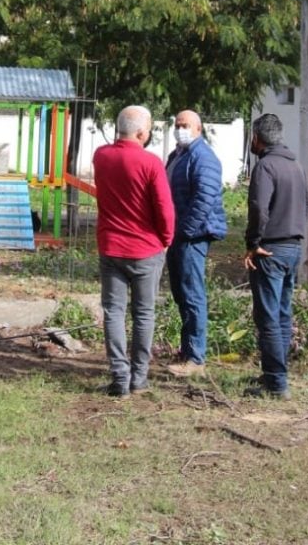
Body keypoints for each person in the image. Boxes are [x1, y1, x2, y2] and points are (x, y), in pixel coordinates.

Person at [93, 105, 175, 398]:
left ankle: (119, 377)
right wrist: (166, 239)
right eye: (150, 129)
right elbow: (164, 208)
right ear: (141, 132)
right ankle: (139, 377)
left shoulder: (101, 157)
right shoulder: (151, 163)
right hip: (145, 249)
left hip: (112, 247)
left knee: (113, 313)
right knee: (144, 313)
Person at [244, 112, 308, 399]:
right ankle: (276, 374)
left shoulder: (265, 167)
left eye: (252, 137)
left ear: (257, 138)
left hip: (269, 248)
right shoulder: (296, 166)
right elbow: (307, 206)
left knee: (268, 316)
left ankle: (276, 382)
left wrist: (253, 242)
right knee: (282, 314)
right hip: (293, 247)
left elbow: (259, 207)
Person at [165, 109, 227, 377]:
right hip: (178, 235)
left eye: (186, 125)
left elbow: (205, 197)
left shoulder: (204, 157)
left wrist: (186, 231)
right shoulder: (178, 154)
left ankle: (196, 359)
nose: (180, 129)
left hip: (193, 236)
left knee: (192, 295)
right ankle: (187, 351)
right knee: (181, 294)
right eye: (177, 124)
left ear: (198, 129)